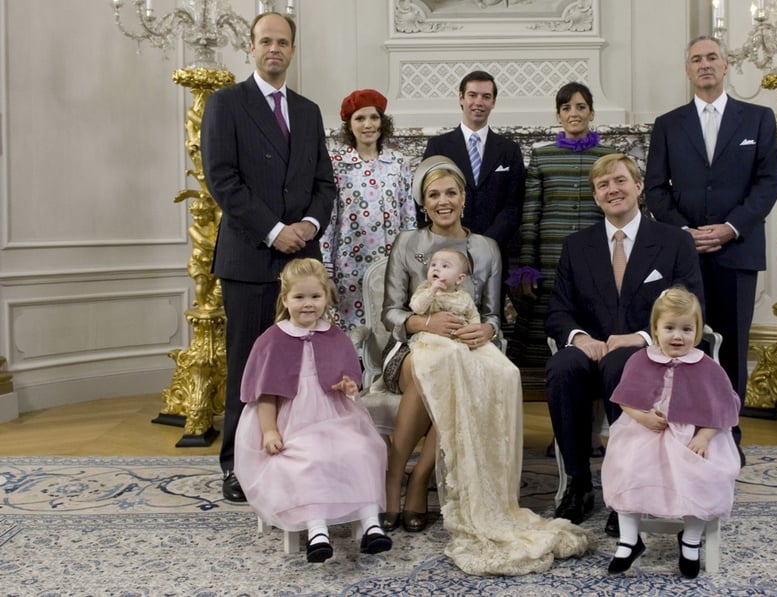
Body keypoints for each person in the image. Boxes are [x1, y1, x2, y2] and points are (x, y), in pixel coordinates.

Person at [381, 156, 587, 575]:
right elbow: (390, 313)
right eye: (434, 195)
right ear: (423, 202)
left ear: (463, 198)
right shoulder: (407, 243)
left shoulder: (486, 248)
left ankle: (421, 478)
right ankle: (392, 478)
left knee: (461, 373)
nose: (444, 201)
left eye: (451, 193)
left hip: (465, 349)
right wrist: (426, 322)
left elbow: (495, 313)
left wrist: (488, 332)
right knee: (432, 371)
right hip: (410, 350)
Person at [201, 11, 336, 502]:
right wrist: (274, 230)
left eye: (282, 42)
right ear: (251, 48)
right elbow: (222, 181)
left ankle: (297, 453)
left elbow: (324, 182)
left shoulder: (308, 110)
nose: (274, 49)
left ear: (292, 50)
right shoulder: (225, 104)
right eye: (265, 42)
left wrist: (309, 225)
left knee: (303, 365)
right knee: (250, 363)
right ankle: (237, 464)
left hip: (303, 263)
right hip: (250, 259)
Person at [545, 153, 705, 535]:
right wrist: (579, 338)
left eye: (620, 181)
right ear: (596, 196)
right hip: (591, 349)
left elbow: (693, 305)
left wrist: (642, 338)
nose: (612, 190)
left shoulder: (672, 242)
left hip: (651, 350)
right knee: (562, 368)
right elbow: (558, 312)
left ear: (638, 187)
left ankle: (625, 493)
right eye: (603, 185)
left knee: (623, 365)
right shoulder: (576, 246)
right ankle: (578, 484)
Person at [644, 35, 777, 462]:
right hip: (683, 255)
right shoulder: (668, 124)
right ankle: (683, 436)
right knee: (686, 346)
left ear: (726, 67)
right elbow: (654, 189)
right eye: (696, 60)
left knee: (734, 349)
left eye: (712, 58)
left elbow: (768, 184)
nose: (704, 65)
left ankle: (728, 439)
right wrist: (684, 232)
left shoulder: (758, 119)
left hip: (736, 252)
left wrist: (730, 227)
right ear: (688, 70)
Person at [234, 259, 391, 563]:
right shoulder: (272, 340)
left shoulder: (334, 335)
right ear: (285, 300)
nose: (308, 305)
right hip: (291, 420)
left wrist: (348, 385)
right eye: (300, 297)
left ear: (326, 298)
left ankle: (371, 524)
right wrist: (269, 430)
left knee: (361, 449)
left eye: (315, 297)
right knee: (308, 459)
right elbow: (264, 394)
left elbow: (346, 379)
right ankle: (317, 529)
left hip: (334, 415)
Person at [601, 287, 741, 577]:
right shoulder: (640, 359)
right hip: (645, 430)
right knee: (627, 467)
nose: (678, 336)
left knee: (702, 475)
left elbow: (722, 408)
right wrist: (643, 417)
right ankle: (629, 539)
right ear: (655, 329)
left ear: (698, 331)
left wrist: (704, 436)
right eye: (670, 328)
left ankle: (690, 539)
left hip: (693, 435)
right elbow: (625, 399)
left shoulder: (707, 367)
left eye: (687, 329)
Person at [509, 81, 616, 368]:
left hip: (595, 253)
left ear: (591, 112)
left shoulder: (607, 157)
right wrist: (527, 265)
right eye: (566, 108)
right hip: (550, 254)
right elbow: (531, 214)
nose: (574, 113)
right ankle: (542, 374)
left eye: (581, 107)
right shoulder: (542, 157)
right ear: (558, 115)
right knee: (547, 311)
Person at [322, 89, 416, 332]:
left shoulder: (397, 162)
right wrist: (326, 271)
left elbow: (408, 215)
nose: (368, 125)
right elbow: (328, 219)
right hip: (349, 265)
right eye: (360, 118)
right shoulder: (335, 164)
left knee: (389, 327)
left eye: (373, 118)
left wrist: (413, 261)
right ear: (349, 125)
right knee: (352, 333)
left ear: (382, 122)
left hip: (392, 263)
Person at [421, 70, 525, 255]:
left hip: (495, 250)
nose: (479, 102)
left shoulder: (509, 150)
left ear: (493, 102)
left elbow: (513, 205)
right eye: (472, 95)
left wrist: (486, 243)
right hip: (446, 249)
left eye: (486, 96)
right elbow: (426, 198)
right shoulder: (438, 146)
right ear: (461, 98)